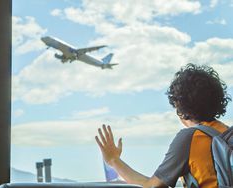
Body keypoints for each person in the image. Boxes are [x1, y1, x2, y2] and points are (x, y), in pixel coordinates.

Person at [95, 63, 231, 188]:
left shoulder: (190, 138)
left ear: (179, 106)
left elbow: (152, 186)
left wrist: (113, 160)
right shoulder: (227, 133)